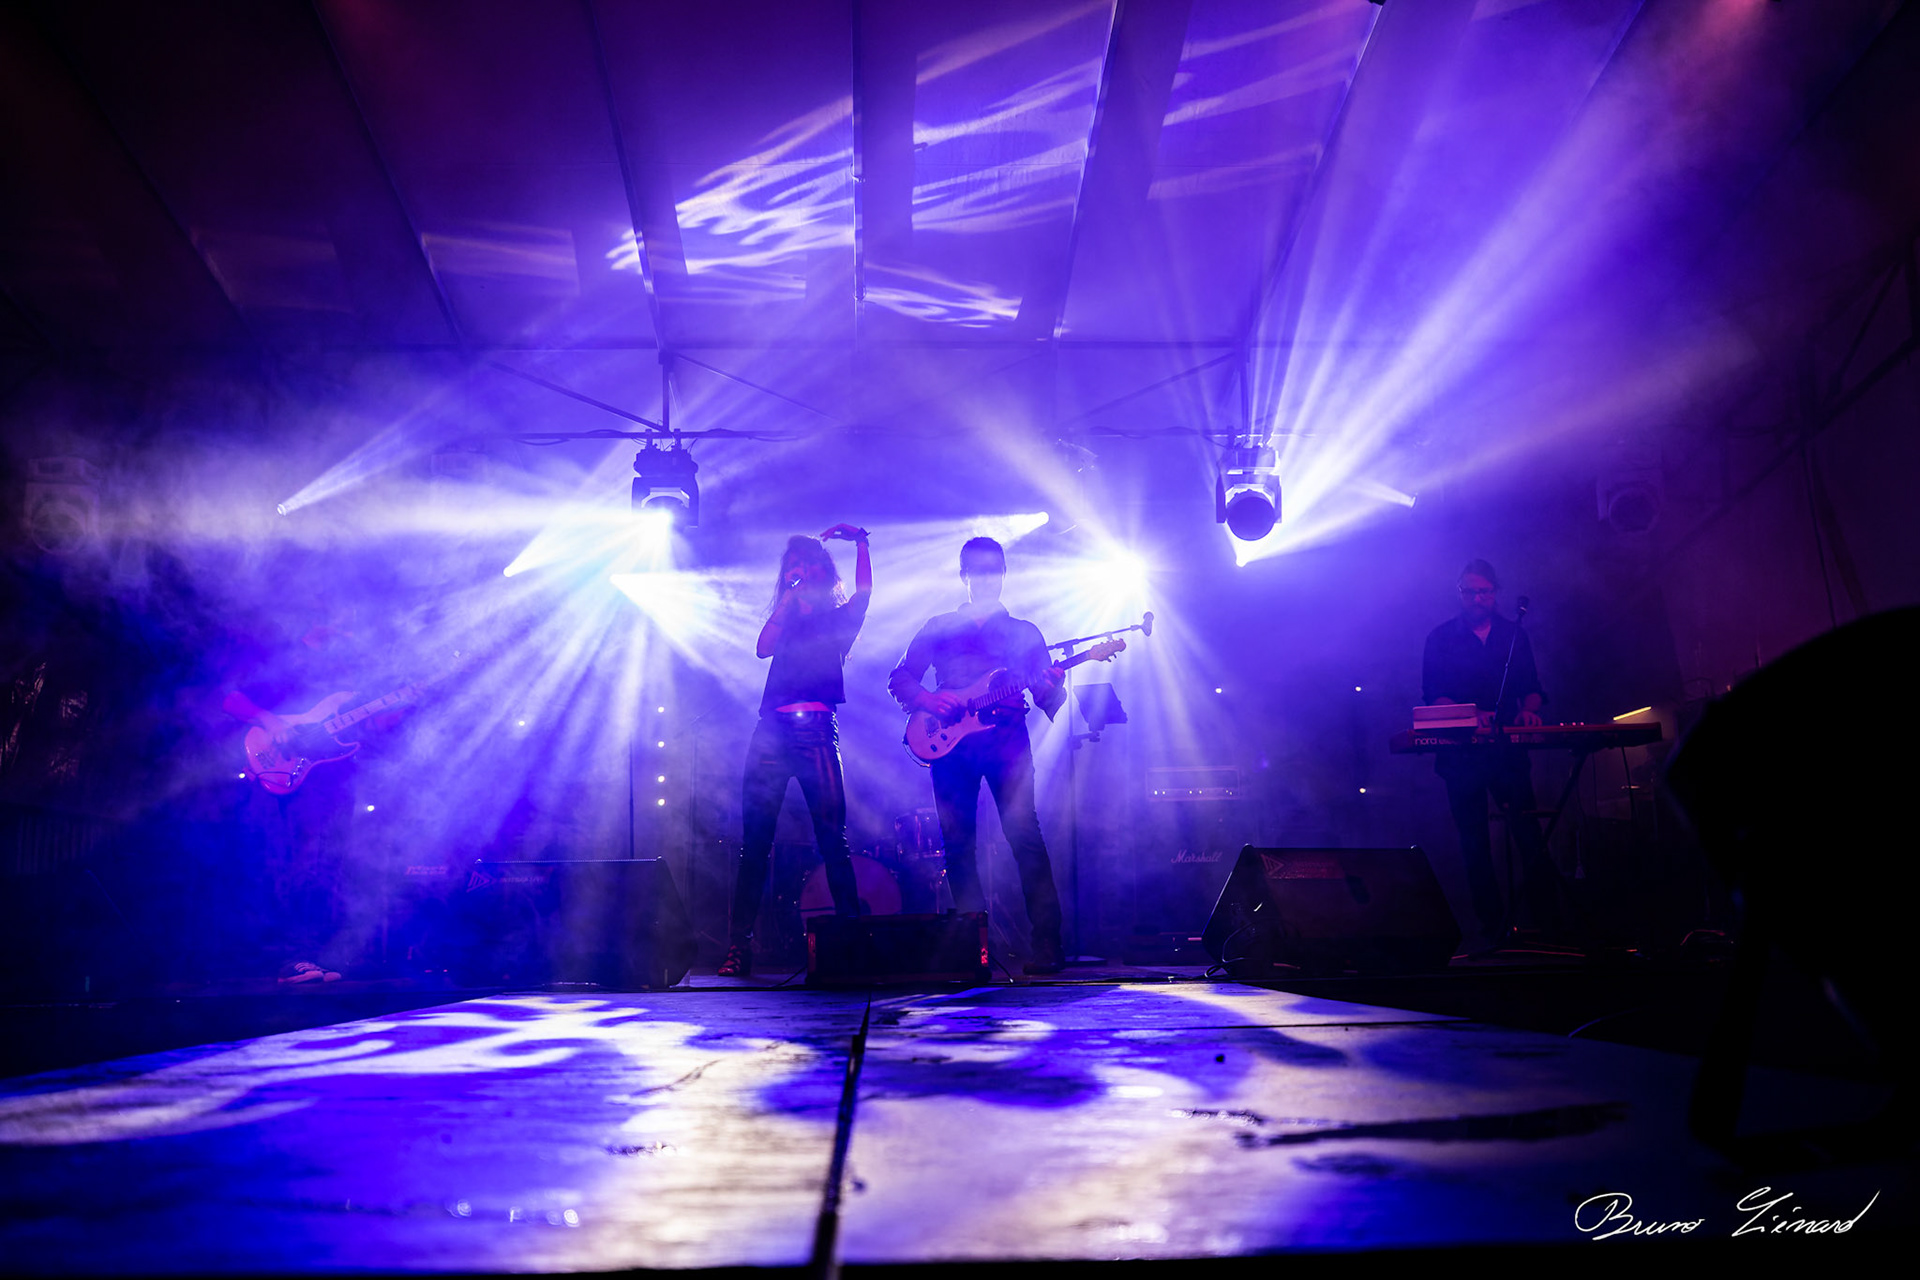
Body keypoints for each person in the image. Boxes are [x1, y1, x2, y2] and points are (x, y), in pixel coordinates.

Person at [888, 537, 1067, 974]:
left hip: (1007, 740)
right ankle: (974, 946)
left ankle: (1047, 947)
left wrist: (1053, 684)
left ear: (1004, 574)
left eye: (995, 570)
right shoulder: (939, 625)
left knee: (1026, 839)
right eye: (979, 571)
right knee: (958, 846)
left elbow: (1050, 700)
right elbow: (901, 679)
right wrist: (930, 702)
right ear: (964, 575)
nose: (988, 579)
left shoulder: (1025, 633)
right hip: (951, 745)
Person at [719, 524, 872, 978]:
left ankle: (851, 941)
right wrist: (786, 603)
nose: (798, 572)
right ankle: (738, 948)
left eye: (806, 565)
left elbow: (864, 595)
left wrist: (862, 541)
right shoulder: (784, 620)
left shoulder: (837, 619)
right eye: (792, 566)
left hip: (817, 731)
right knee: (755, 845)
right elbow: (762, 648)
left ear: (821, 571)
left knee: (833, 840)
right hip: (772, 732)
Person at [1421, 558, 1562, 947]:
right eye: (1470, 591)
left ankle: (1550, 925)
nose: (1478, 598)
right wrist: (1472, 716)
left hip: (1506, 752)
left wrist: (1529, 711)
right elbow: (1434, 695)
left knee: (1528, 833)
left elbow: (1532, 686)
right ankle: (1492, 931)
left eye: (1484, 591)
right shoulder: (1440, 638)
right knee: (1474, 841)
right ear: (1459, 594)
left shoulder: (1513, 635)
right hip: (1461, 754)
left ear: (1495, 593)